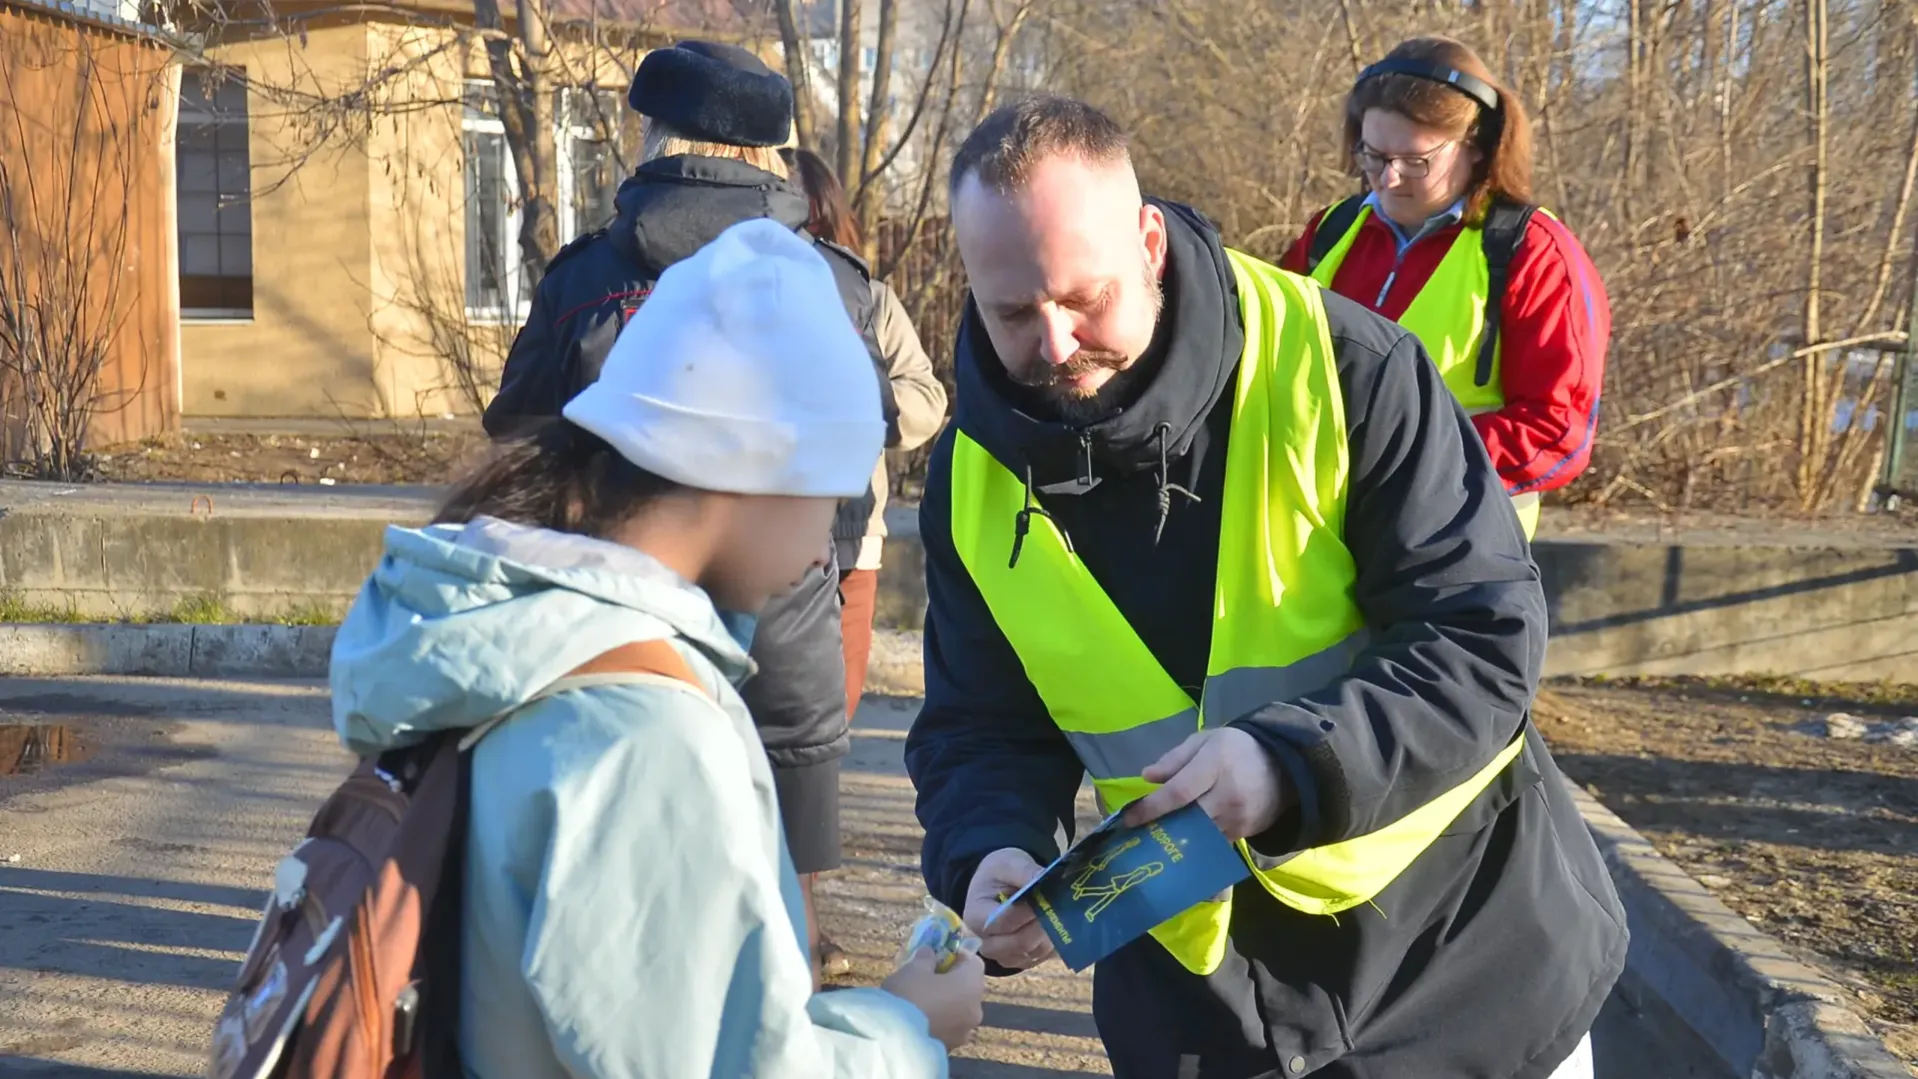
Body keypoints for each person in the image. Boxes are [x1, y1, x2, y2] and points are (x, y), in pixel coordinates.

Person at [905, 95, 1625, 1079]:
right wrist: (988, 846)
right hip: (1201, 1006)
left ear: (1149, 241)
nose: (1057, 344)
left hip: (1459, 963)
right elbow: (978, 722)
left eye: (1085, 298)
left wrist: (1288, 764)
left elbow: (1484, 640)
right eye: (1014, 311)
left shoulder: (1351, 370)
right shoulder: (969, 474)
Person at [329, 220, 985, 1077]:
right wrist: (905, 1025)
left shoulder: (527, 641)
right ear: (757, 471)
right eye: (831, 493)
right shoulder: (644, 736)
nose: (826, 543)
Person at [481, 39, 892, 982]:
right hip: (792, 577)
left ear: (655, 138)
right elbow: (863, 434)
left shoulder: (586, 273)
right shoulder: (828, 278)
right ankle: (799, 940)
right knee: (787, 749)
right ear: (773, 155)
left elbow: (517, 420)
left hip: (618, 582)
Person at [1281, 36, 1609, 540]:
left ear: (1476, 147)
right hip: (1315, 536)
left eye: (1415, 162)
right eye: (1372, 155)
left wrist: (1402, 468)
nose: (1387, 180)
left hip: (1456, 546)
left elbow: (1557, 429)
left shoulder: (1534, 253)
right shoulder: (1330, 233)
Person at [781, 145, 950, 718]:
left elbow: (927, 400)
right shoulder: (740, 297)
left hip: (852, 539)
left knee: (836, 710)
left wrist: (859, 401)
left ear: (823, 215)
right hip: (763, 536)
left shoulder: (871, 302)